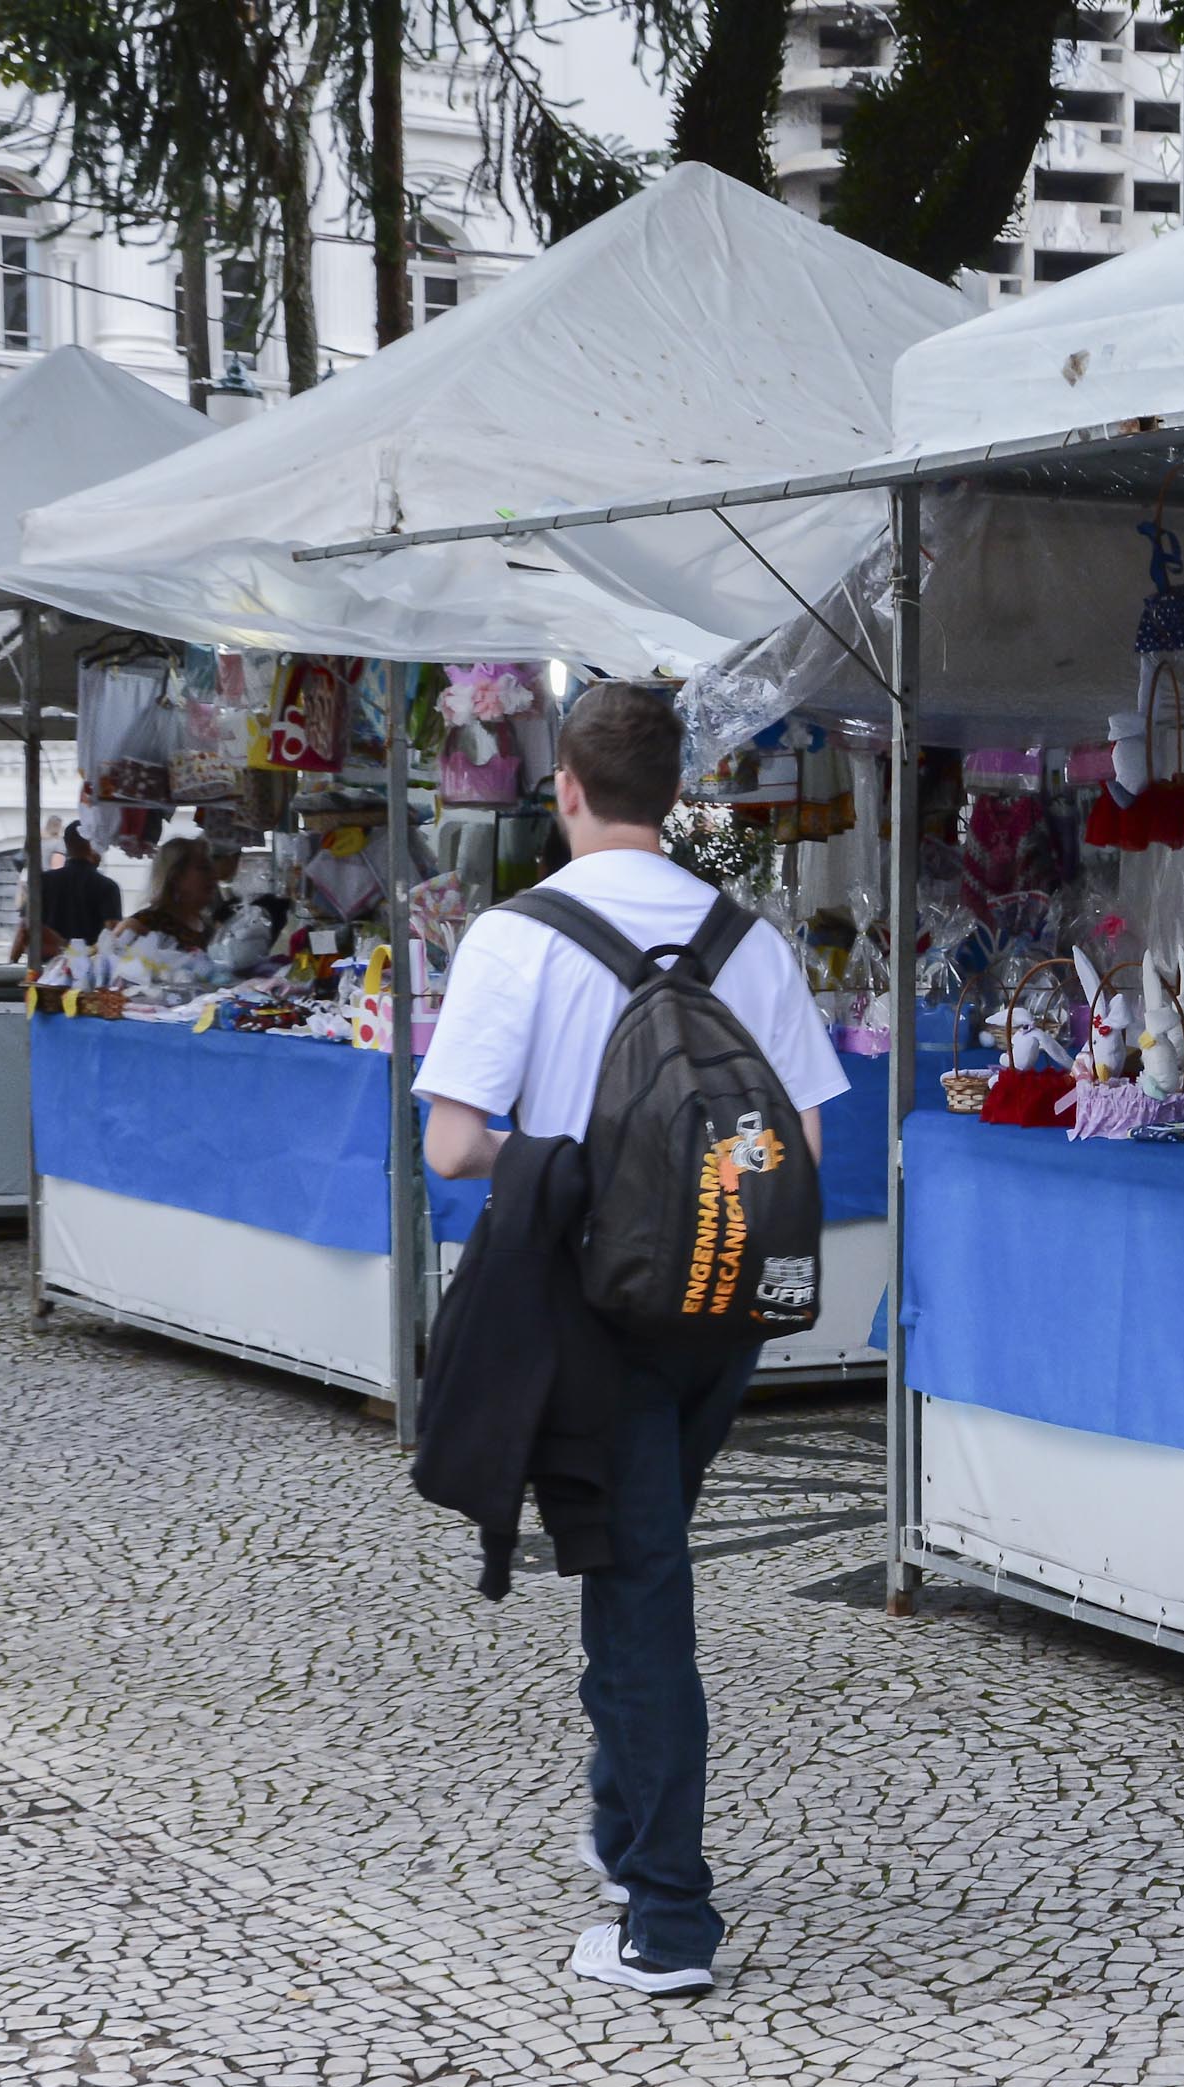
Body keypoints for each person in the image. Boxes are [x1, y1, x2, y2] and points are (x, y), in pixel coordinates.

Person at [415, 681, 848, 1998]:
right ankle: (624, 1842)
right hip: (719, 1311)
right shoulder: (747, 938)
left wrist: (572, 1162)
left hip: (584, 1310)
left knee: (644, 1588)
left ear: (565, 788)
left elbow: (452, 1144)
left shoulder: (518, 934)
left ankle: (668, 1918)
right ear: (672, 792)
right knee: (629, 1560)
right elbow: (808, 1146)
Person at [12, 826, 122, 962]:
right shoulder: (108, 887)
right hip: (90, 972)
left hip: (47, 972)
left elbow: (24, 927)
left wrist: (11, 965)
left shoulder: (43, 882)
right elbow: (114, 935)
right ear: (92, 844)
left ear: (66, 844)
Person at [123, 836, 222, 951]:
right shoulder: (142, 925)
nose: (214, 875)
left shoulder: (208, 927)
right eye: (203, 868)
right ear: (175, 876)